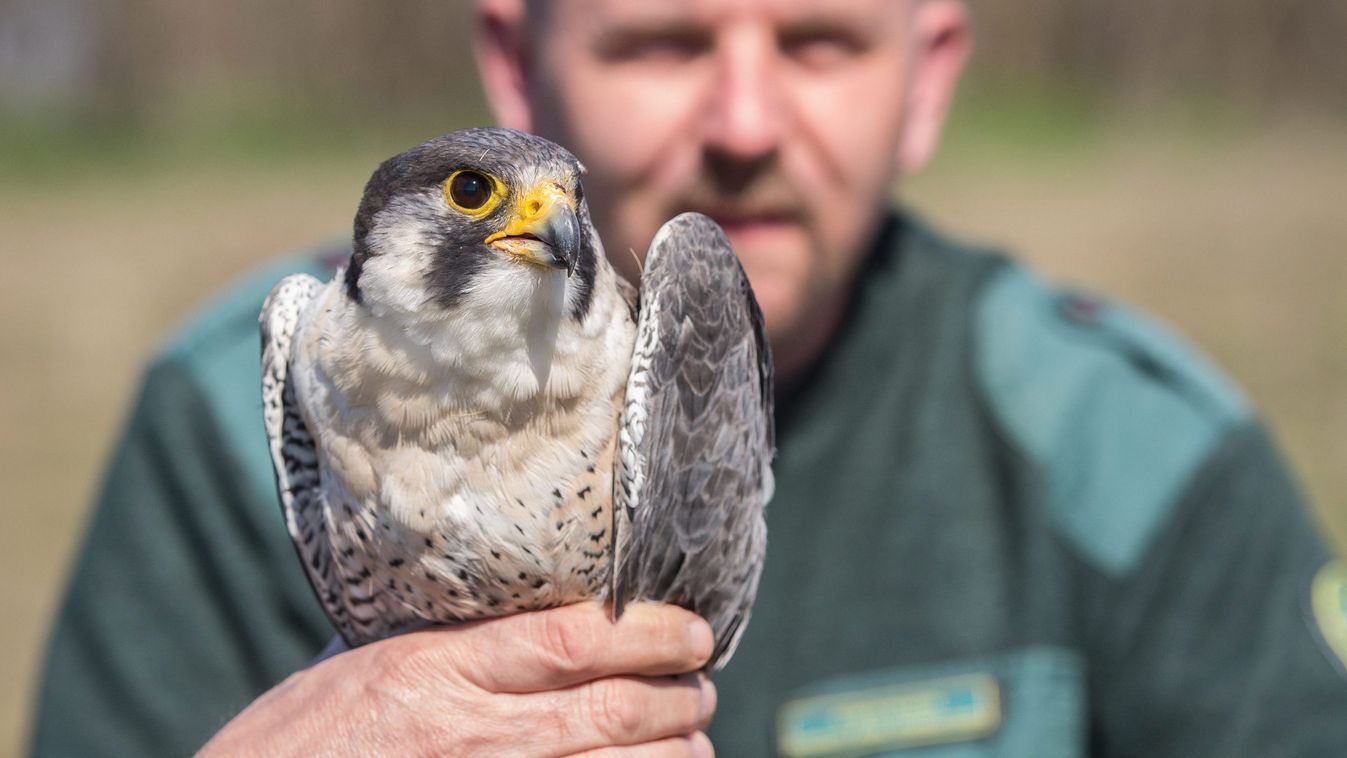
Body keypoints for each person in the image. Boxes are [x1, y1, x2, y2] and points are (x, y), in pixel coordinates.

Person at [31, 0, 1347, 755]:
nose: (742, 127)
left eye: (821, 40)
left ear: (932, 72)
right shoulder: (238, 403)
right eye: (658, 41)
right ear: (514, 59)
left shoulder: (1133, 446)